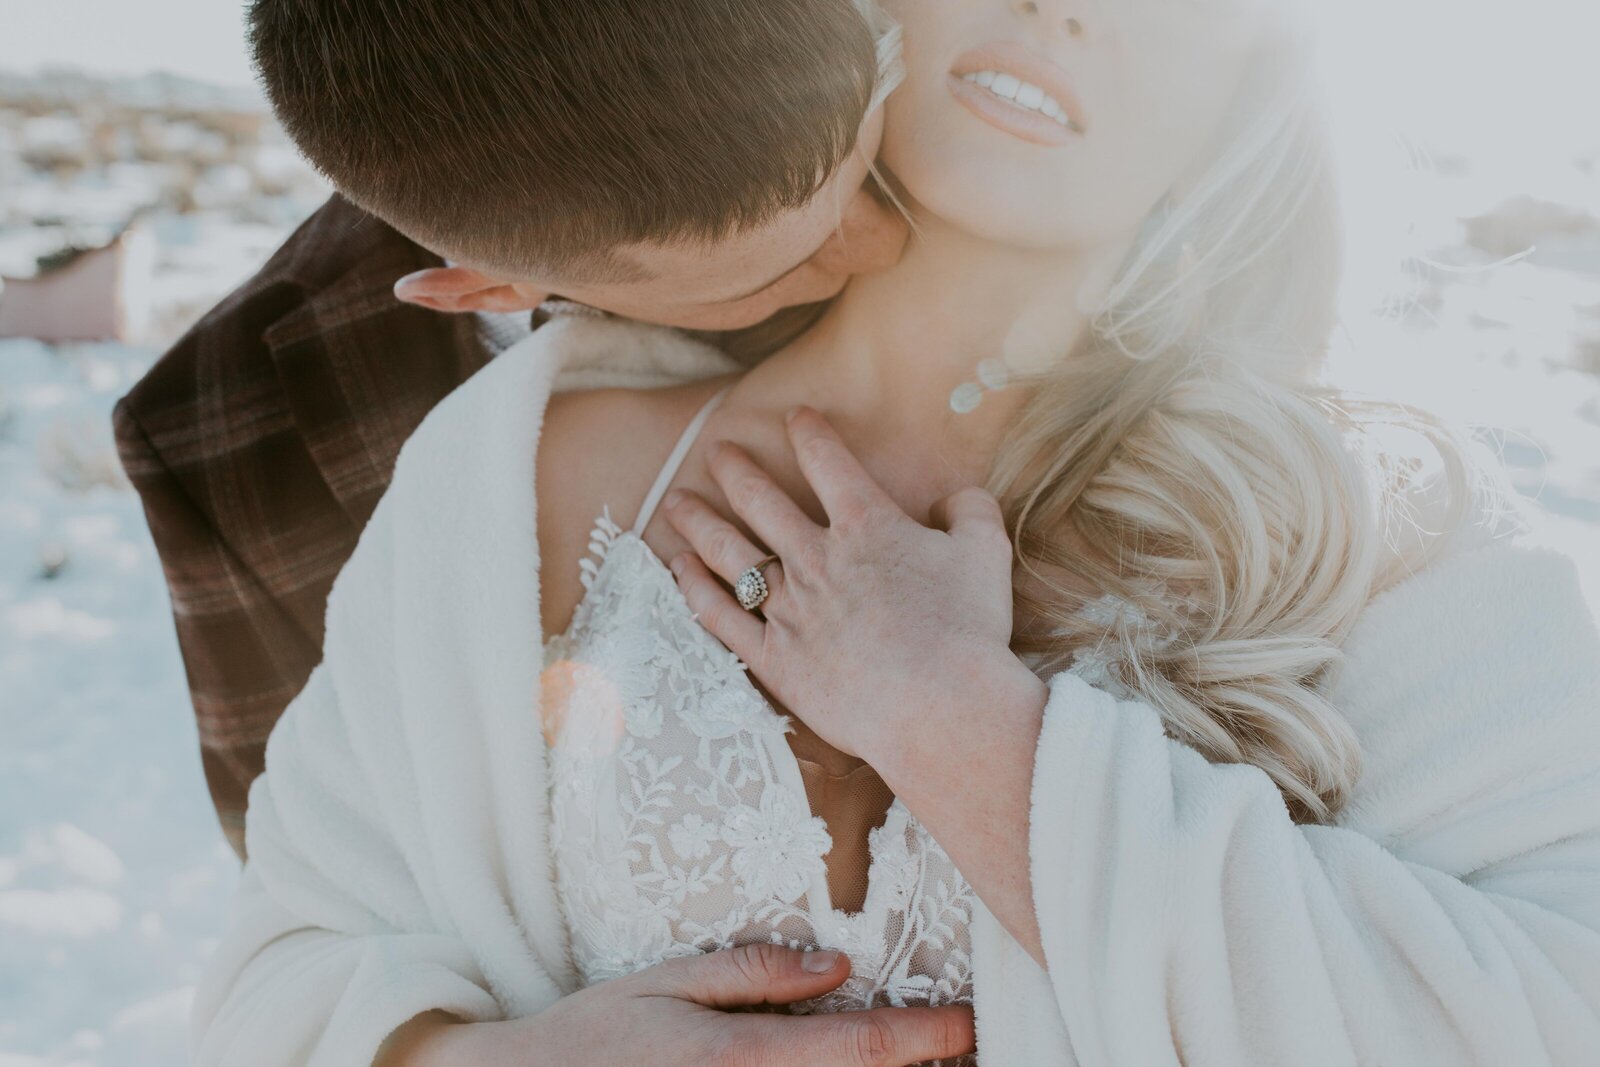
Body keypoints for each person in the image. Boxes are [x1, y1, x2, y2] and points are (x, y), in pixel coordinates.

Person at [195, 2, 1600, 1067]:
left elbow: (1552, 1003)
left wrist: (966, 729)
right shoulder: (530, 471)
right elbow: (283, 966)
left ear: (1254, 78)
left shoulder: (1370, 510)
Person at [112, 0, 906, 859]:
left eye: (869, 156)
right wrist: (499, 1006)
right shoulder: (226, 426)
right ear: (488, 288)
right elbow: (315, 858)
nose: (886, 243)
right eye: (785, 266)